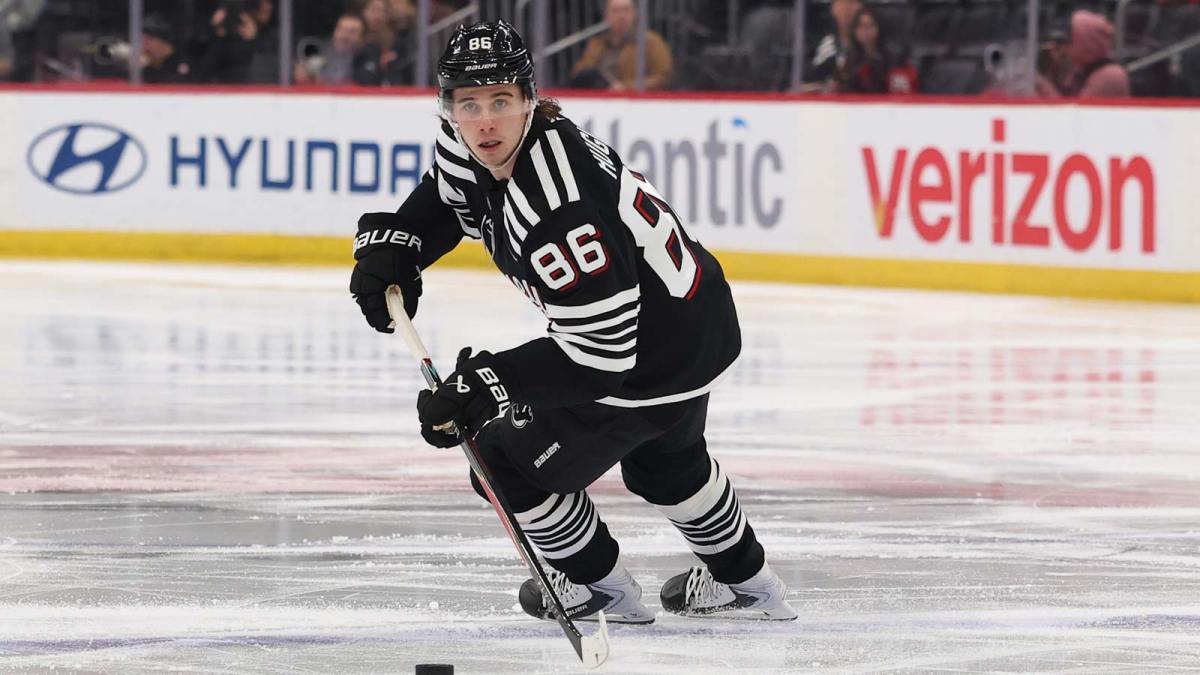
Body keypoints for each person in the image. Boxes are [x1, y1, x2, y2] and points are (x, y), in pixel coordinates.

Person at [349, 20, 795, 623]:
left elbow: (601, 357)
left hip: (647, 354)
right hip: (697, 320)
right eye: (468, 104)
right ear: (446, 107)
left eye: (501, 101)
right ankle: (751, 585)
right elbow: (450, 197)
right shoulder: (469, 142)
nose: (485, 122)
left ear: (530, 99)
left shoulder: (557, 207)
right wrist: (402, 245)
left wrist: (488, 384)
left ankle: (600, 589)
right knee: (668, 464)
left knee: (500, 458)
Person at [569, 0, 673, 90]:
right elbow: (580, 71)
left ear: (634, 14)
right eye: (615, 11)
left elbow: (663, 77)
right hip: (597, 97)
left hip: (634, 99)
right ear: (606, 15)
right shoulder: (597, 43)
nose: (621, 16)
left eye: (626, 10)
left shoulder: (650, 42)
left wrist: (625, 87)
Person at [836, 6, 915, 94]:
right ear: (855, 30)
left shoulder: (890, 58)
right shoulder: (848, 58)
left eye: (870, 25)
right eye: (861, 26)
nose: (866, 30)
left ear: (878, 28)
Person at [294, 13, 377, 85]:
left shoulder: (367, 58)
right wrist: (305, 78)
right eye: (341, 29)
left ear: (363, 38)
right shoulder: (320, 53)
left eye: (352, 32)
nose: (344, 36)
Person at [809, 0, 862, 90]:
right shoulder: (826, 44)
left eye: (852, 2)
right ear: (833, 9)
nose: (846, 8)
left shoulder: (871, 44)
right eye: (841, 2)